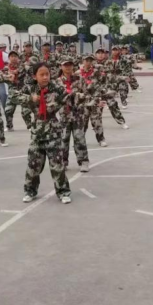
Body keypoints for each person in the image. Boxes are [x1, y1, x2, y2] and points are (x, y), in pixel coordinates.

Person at [11, 62, 72, 204]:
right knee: (33, 164)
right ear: (35, 76)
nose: (45, 77)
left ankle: (63, 192)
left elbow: (70, 98)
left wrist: (91, 101)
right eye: (42, 74)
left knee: (57, 165)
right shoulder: (30, 88)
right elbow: (13, 96)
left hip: (53, 131)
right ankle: (30, 191)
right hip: (37, 132)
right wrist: (30, 98)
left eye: (47, 74)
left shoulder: (56, 88)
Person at [56, 59, 90, 173]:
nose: (68, 67)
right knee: (63, 140)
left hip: (78, 114)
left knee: (79, 138)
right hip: (64, 115)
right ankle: (63, 162)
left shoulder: (80, 79)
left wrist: (78, 96)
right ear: (61, 67)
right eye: (65, 65)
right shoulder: (57, 82)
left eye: (70, 65)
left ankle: (83, 161)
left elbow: (86, 94)